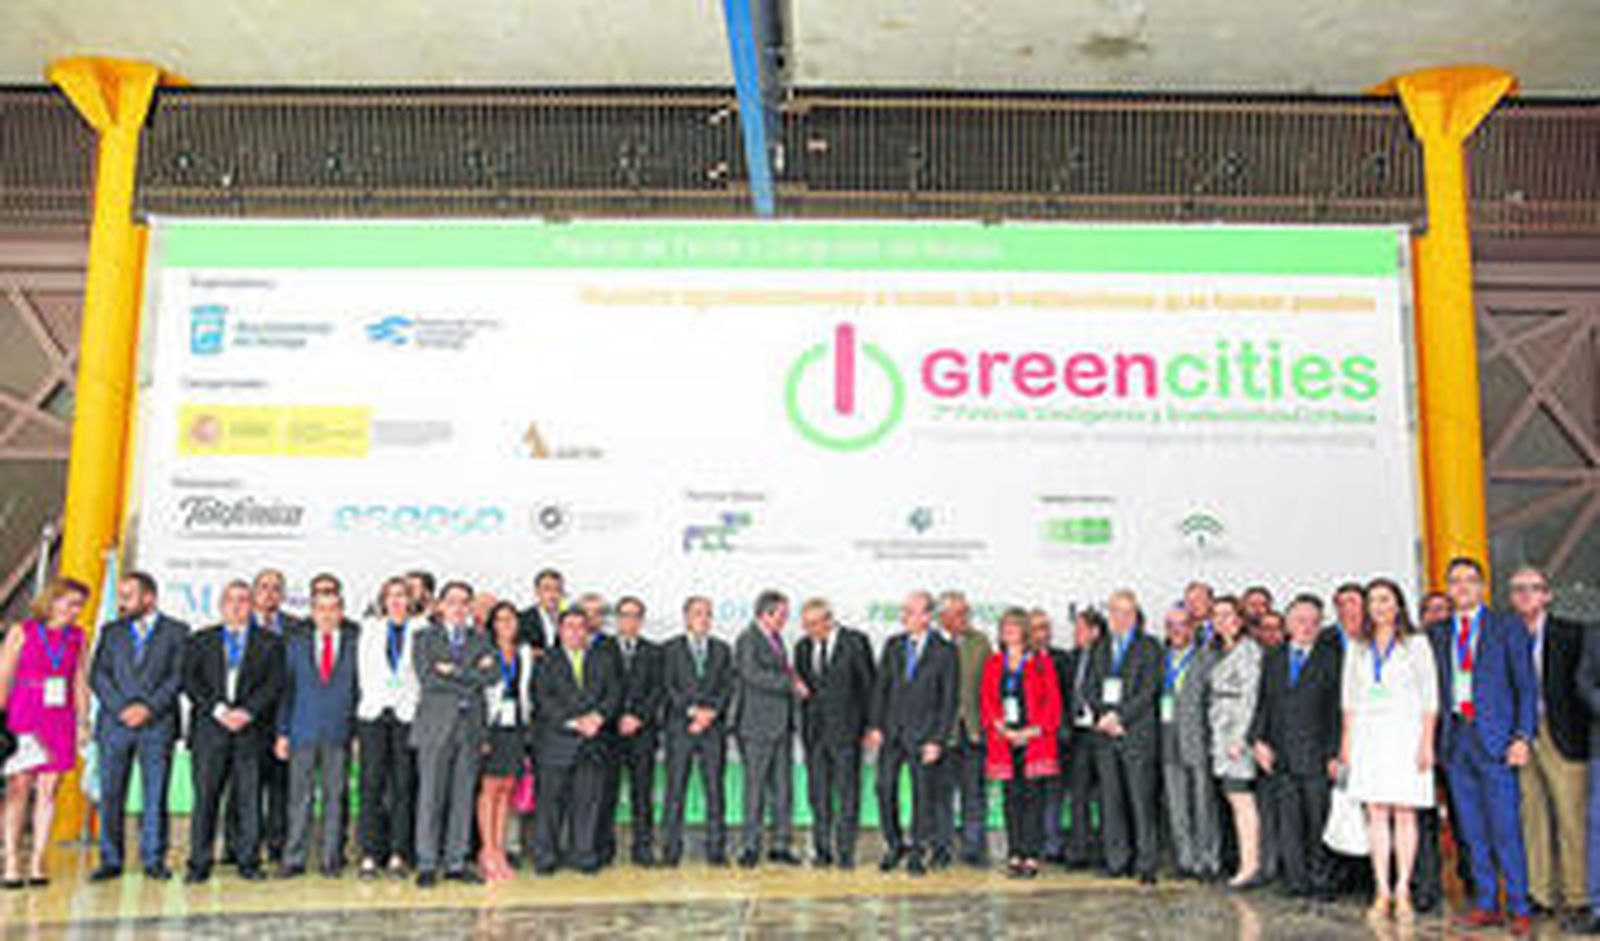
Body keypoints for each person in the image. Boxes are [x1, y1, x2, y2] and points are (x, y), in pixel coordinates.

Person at [1429, 557, 1537, 934]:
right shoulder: (1438, 632)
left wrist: (1523, 736)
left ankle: (1520, 906)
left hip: (1496, 739)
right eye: (1454, 581)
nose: (1461, 587)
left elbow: (1526, 687)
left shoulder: (1506, 626)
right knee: (1472, 831)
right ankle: (1487, 903)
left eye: (1469, 581)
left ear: (1482, 586)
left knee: (1505, 828)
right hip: (1456, 739)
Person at [1341, 577, 1438, 922]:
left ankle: (1403, 889)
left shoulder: (1416, 644)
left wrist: (1427, 742)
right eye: (1373, 601)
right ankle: (1381, 890)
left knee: (1405, 814)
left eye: (1386, 599)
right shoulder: (1358, 647)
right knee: (1376, 815)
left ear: (1398, 604)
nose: (1379, 606)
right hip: (1369, 737)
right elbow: (1348, 701)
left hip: (1406, 736)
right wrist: (1346, 748)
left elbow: (1430, 699)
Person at [183, 579, 285, 884]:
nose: (237, 605)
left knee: (249, 800)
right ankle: (199, 863)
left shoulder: (270, 642)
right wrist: (219, 710)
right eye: (231, 600)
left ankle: (248, 861)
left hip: (251, 732)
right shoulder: (200, 640)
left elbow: (274, 684)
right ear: (221, 605)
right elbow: (190, 681)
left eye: (243, 600)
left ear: (252, 605)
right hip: (210, 732)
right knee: (206, 799)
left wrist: (247, 712)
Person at [89, 571, 188, 882]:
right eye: (121, 595)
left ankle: (154, 858)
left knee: (155, 794)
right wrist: (122, 708)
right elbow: (98, 675)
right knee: (111, 794)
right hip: (114, 725)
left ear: (149, 598)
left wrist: (148, 708)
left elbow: (179, 676)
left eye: (129, 596)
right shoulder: (111, 631)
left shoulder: (177, 631)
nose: (122, 602)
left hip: (157, 724)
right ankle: (110, 859)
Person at [1508, 565, 1589, 924]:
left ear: (1547, 595)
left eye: (1533, 588)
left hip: (1562, 735)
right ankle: (1539, 894)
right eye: (1518, 589)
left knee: (1572, 819)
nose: (1526, 595)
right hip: (1522, 738)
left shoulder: (1572, 633)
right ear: (1511, 597)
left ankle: (1578, 896)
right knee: (1532, 817)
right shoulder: (1504, 636)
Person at [1250, 593, 1342, 899]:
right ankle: (1296, 880)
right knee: (1288, 822)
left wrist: (1335, 753)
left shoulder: (1333, 658)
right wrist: (1258, 740)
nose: (1305, 626)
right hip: (1280, 754)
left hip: (1317, 755)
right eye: (1299, 620)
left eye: (1312, 621)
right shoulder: (1273, 657)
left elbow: (1337, 711)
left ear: (1320, 625)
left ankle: (1321, 881)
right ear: (1287, 623)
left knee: (1319, 821)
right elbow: (1262, 703)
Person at [0, 578, 90, 888]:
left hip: (60, 716)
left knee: (49, 789)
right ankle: (11, 857)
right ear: (52, 601)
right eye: (71, 603)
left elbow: (79, 679)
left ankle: (38, 858)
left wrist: (83, 722)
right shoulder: (21, 631)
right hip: (24, 713)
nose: (76, 610)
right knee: (19, 787)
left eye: (80, 605)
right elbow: (3, 674)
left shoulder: (77, 636)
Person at [410, 581, 498, 887]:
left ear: (471, 607)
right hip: (435, 726)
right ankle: (426, 862)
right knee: (431, 796)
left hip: (471, 725)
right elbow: (428, 678)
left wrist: (454, 671)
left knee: (463, 796)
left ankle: (456, 862)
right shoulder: (424, 638)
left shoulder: (482, 638)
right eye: (452, 602)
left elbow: (491, 676)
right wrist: (470, 673)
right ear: (440, 606)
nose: (458, 608)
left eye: (464, 602)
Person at [867, 590, 958, 876]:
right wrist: (875, 726)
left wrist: (937, 740)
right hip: (892, 734)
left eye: (910, 611)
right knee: (884, 787)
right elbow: (880, 688)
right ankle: (895, 845)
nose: (904, 615)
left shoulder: (945, 650)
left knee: (923, 795)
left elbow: (949, 701)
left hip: (925, 736)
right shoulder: (893, 645)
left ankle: (919, 850)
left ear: (927, 616)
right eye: (904, 610)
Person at [274, 589, 359, 878]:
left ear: (341, 612)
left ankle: (331, 858)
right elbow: (285, 692)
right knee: (300, 797)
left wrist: (357, 734)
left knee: (336, 797)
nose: (327, 614)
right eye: (321, 608)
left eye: (333, 608)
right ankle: (294, 857)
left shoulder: (354, 644)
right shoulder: (295, 644)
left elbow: (360, 692)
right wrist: (282, 732)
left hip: (340, 733)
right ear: (312, 613)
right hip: (302, 731)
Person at [531, 608, 619, 875]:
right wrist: (573, 722)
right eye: (569, 626)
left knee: (588, 802)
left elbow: (613, 693)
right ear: (560, 631)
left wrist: (598, 717)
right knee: (550, 805)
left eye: (581, 627)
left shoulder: (602, 659)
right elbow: (542, 698)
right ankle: (546, 856)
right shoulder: (547, 660)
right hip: (556, 743)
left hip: (593, 742)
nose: (576, 632)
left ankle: (583, 855)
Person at [1084, 588, 1163, 884]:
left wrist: (1120, 717)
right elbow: (1089, 686)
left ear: (1136, 615)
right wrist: (1102, 716)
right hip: (1105, 736)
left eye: (1127, 612)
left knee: (1141, 803)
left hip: (1136, 735)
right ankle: (1117, 861)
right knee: (1110, 801)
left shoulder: (1150, 646)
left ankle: (1146, 864)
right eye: (1115, 611)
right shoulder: (1099, 646)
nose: (1120, 617)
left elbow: (1149, 689)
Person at [980, 608, 1062, 879]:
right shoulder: (994, 662)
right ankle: (1014, 853)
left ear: (1025, 632)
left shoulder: (1040, 662)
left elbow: (1053, 703)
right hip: (1004, 741)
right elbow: (987, 700)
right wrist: (1000, 726)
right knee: (1011, 799)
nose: (1009, 632)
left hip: (1034, 740)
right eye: (1005, 627)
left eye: (1014, 627)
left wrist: (1032, 731)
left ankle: (1031, 854)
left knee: (1033, 799)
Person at [793, 597, 875, 869]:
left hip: (847, 733)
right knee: (818, 795)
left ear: (829, 620)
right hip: (815, 735)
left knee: (848, 794)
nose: (810, 630)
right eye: (805, 625)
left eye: (814, 624)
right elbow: (805, 691)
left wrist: (871, 726)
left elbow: (869, 688)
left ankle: (846, 852)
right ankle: (822, 850)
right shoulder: (803, 647)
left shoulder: (855, 642)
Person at [355, 576, 422, 879]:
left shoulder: (423, 630)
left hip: (408, 715)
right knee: (370, 785)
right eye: (390, 595)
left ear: (411, 600)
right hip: (374, 714)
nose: (396, 601)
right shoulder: (370, 629)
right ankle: (369, 854)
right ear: (383, 601)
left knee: (403, 786)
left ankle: (398, 853)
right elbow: (362, 673)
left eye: (402, 595)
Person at [659, 596, 733, 867]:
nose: (704, 619)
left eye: (708, 614)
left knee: (715, 791)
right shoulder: (669, 649)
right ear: (686, 618)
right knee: (675, 790)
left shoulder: (722, 649)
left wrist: (710, 713)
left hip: (713, 730)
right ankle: (671, 850)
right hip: (681, 727)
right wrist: (692, 712)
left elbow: (727, 687)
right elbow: (668, 687)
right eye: (698, 613)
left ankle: (716, 850)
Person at [733, 589, 804, 868]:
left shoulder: (776, 639)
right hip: (757, 727)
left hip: (781, 727)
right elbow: (751, 674)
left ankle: (781, 845)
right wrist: (790, 684)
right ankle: (750, 846)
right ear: (766, 613)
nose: (786, 619)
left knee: (783, 790)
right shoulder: (747, 639)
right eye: (782, 614)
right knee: (755, 789)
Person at [241, 568, 301, 868]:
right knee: (244, 786)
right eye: (263, 587)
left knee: (281, 787)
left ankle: (277, 846)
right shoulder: (238, 625)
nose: (269, 593)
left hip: (284, 717)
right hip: (246, 720)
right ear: (254, 592)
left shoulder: (296, 627)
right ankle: (239, 847)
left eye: (276, 588)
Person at [1159, 605, 1220, 882]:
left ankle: (1208, 861)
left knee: (1204, 804)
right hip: (1167, 740)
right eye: (1171, 625)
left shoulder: (1209, 658)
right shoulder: (1159, 659)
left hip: (1199, 740)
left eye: (1182, 624)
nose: (1176, 631)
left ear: (1193, 628)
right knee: (1177, 804)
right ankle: (1185, 859)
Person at [1208, 595, 1264, 890]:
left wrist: (1240, 738)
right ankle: (1246, 862)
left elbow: (1251, 697)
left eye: (1228, 615)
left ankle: (1250, 865)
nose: (1221, 620)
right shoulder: (1220, 650)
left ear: (1240, 619)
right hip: (1220, 730)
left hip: (1235, 736)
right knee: (1233, 799)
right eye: (1216, 615)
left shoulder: (1248, 650)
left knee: (1242, 799)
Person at [936, 590, 993, 869]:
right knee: (942, 793)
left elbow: (990, 685)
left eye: (967, 612)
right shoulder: (931, 643)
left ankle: (974, 847)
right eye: (959, 614)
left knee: (974, 792)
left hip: (973, 729)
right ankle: (943, 847)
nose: (965, 618)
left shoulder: (980, 642)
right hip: (942, 733)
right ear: (943, 617)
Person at [477, 602, 533, 881]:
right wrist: (481, 732)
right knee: (489, 788)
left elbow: (526, 692)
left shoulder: (524, 653)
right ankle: (486, 851)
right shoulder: (484, 651)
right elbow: (477, 692)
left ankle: (499, 850)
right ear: (492, 624)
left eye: (510, 619)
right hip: (491, 726)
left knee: (508, 789)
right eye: (500, 619)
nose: (506, 624)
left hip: (516, 727)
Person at [610, 596, 664, 867]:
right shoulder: (602, 649)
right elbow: (598, 689)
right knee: (606, 792)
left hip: (643, 733)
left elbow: (658, 691)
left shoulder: (654, 651)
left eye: (634, 616)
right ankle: (603, 848)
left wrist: (637, 717)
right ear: (617, 619)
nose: (629, 621)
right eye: (624, 615)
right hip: (609, 732)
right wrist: (617, 717)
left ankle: (643, 848)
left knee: (642, 793)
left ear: (641, 621)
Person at [1028, 609, 1073, 864]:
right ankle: (1031, 844)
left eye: (1045, 628)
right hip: (1028, 738)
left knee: (1054, 794)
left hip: (1056, 737)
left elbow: (1069, 696)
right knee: (1032, 794)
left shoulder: (1062, 659)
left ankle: (1053, 844)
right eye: (1035, 628)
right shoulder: (1018, 660)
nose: (1041, 634)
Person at [1061, 608, 1105, 869]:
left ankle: (1104, 851)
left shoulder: (1108, 656)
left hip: (1102, 734)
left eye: (1080, 629)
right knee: (1078, 796)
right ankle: (1078, 851)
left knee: (1106, 797)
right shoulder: (1073, 657)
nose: (1075, 634)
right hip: (1077, 735)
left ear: (1095, 631)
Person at [518, 570, 563, 652]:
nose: (552, 594)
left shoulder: (567, 619)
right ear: (537, 591)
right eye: (547, 589)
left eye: (557, 589)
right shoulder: (523, 619)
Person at [1185, 581, 1216, 647]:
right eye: (1188, 600)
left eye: (1198, 599)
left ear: (1211, 602)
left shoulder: (1219, 630)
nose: (1192, 604)